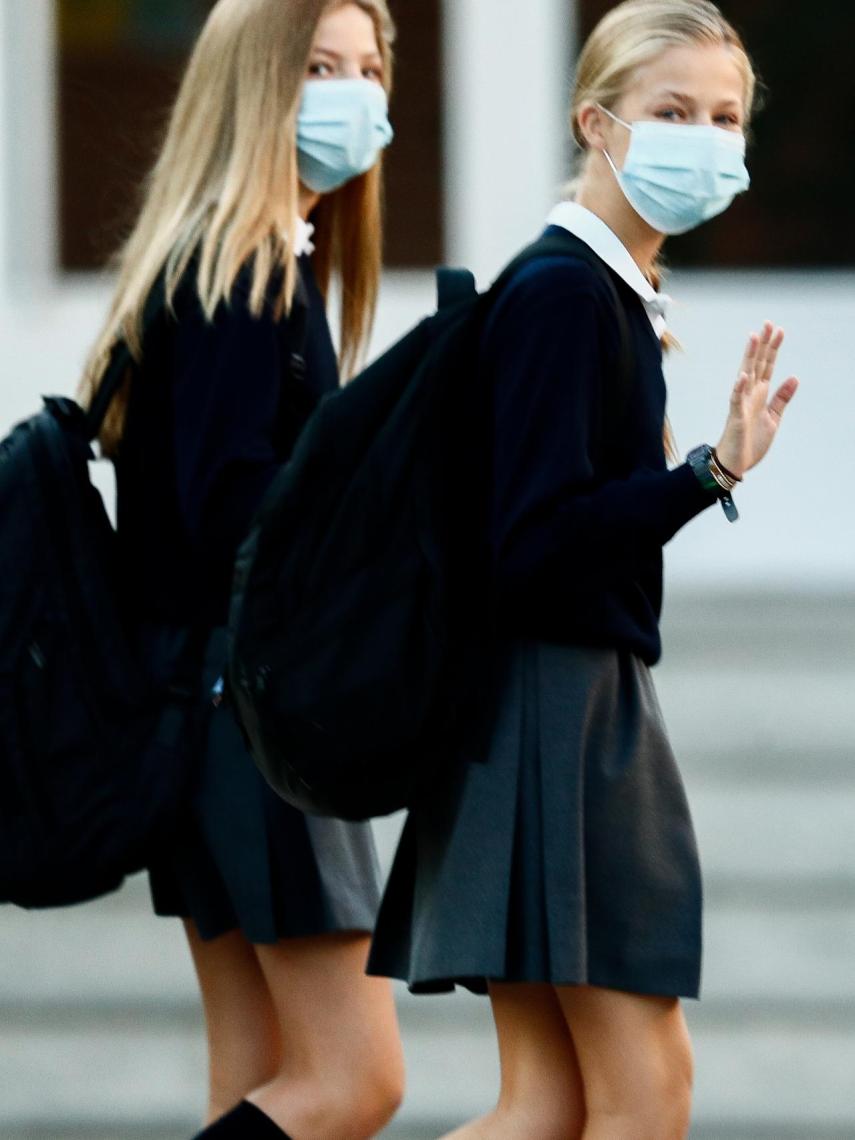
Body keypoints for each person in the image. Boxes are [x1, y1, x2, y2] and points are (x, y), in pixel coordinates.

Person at [367, 1, 799, 1137]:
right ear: (596, 125)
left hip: (546, 705)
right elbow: (535, 543)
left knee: (549, 1106)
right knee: (644, 1094)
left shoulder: (597, 290)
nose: (704, 138)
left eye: (724, 116)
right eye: (673, 111)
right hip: (560, 709)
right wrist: (706, 474)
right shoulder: (566, 294)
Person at [78, 2, 404, 1137]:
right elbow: (231, 512)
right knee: (355, 1081)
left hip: (208, 709)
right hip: (246, 722)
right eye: (320, 67)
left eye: (369, 67)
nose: (355, 92)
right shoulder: (242, 269)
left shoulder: (249, 259)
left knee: (257, 1076)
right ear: (255, 85)